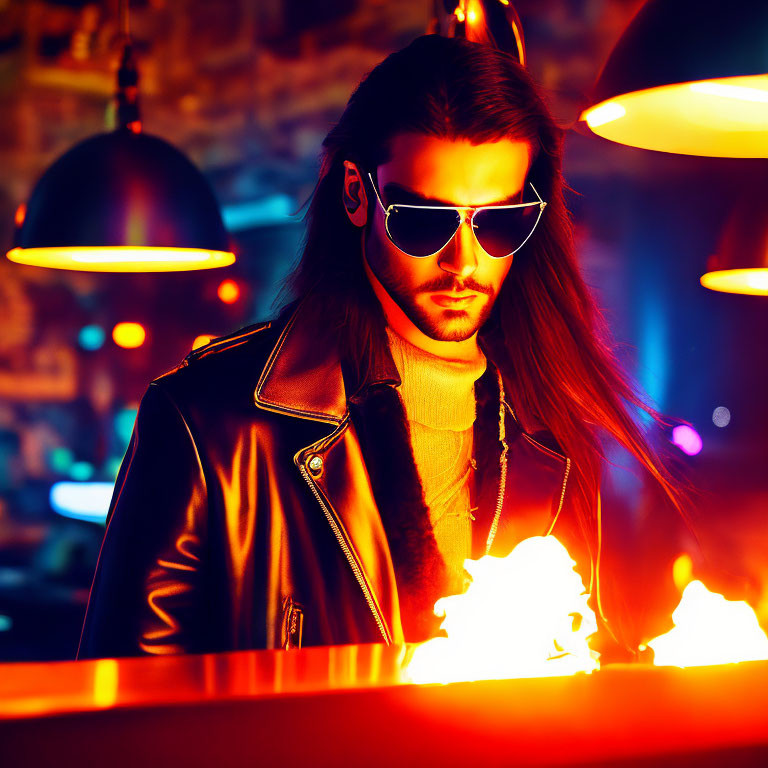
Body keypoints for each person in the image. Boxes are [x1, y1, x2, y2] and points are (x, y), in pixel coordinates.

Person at [77, 34, 691, 661]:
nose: (464, 262)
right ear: (355, 194)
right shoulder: (209, 420)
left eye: (500, 221)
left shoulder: (555, 433)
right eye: (425, 220)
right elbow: (125, 715)